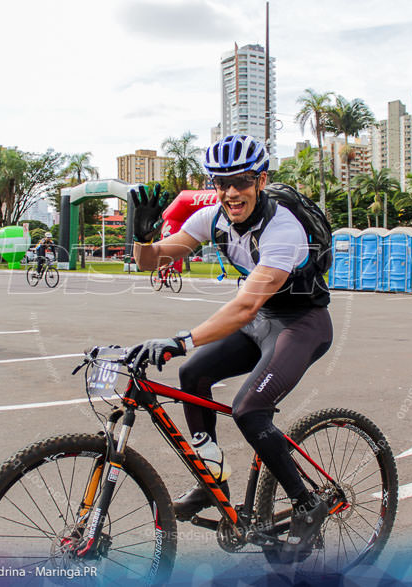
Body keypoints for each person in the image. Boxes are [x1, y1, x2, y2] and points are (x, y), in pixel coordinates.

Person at [127, 135, 333, 558]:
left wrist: (181, 340)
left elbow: (244, 306)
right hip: (261, 322)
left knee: (249, 410)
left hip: (301, 324)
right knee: (192, 375)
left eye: (240, 181)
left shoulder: (283, 229)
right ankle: (212, 480)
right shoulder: (212, 219)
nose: (230, 192)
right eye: (221, 182)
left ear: (260, 180)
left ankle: (307, 503)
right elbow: (153, 261)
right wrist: (142, 235)